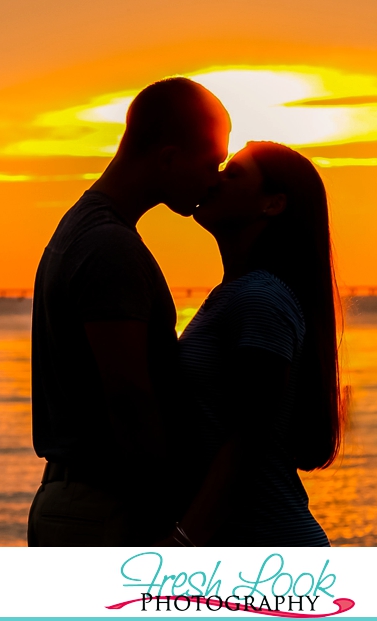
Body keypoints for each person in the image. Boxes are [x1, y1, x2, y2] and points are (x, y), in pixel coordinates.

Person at [27, 77, 230, 546]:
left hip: (84, 503)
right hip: (106, 510)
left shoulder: (87, 229)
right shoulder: (109, 247)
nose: (215, 179)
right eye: (211, 163)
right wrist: (174, 526)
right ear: (168, 158)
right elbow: (129, 400)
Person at [161, 141, 344, 547]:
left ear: (273, 204)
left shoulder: (261, 298)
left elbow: (250, 442)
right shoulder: (236, 294)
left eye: (234, 173)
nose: (215, 179)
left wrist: (182, 540)